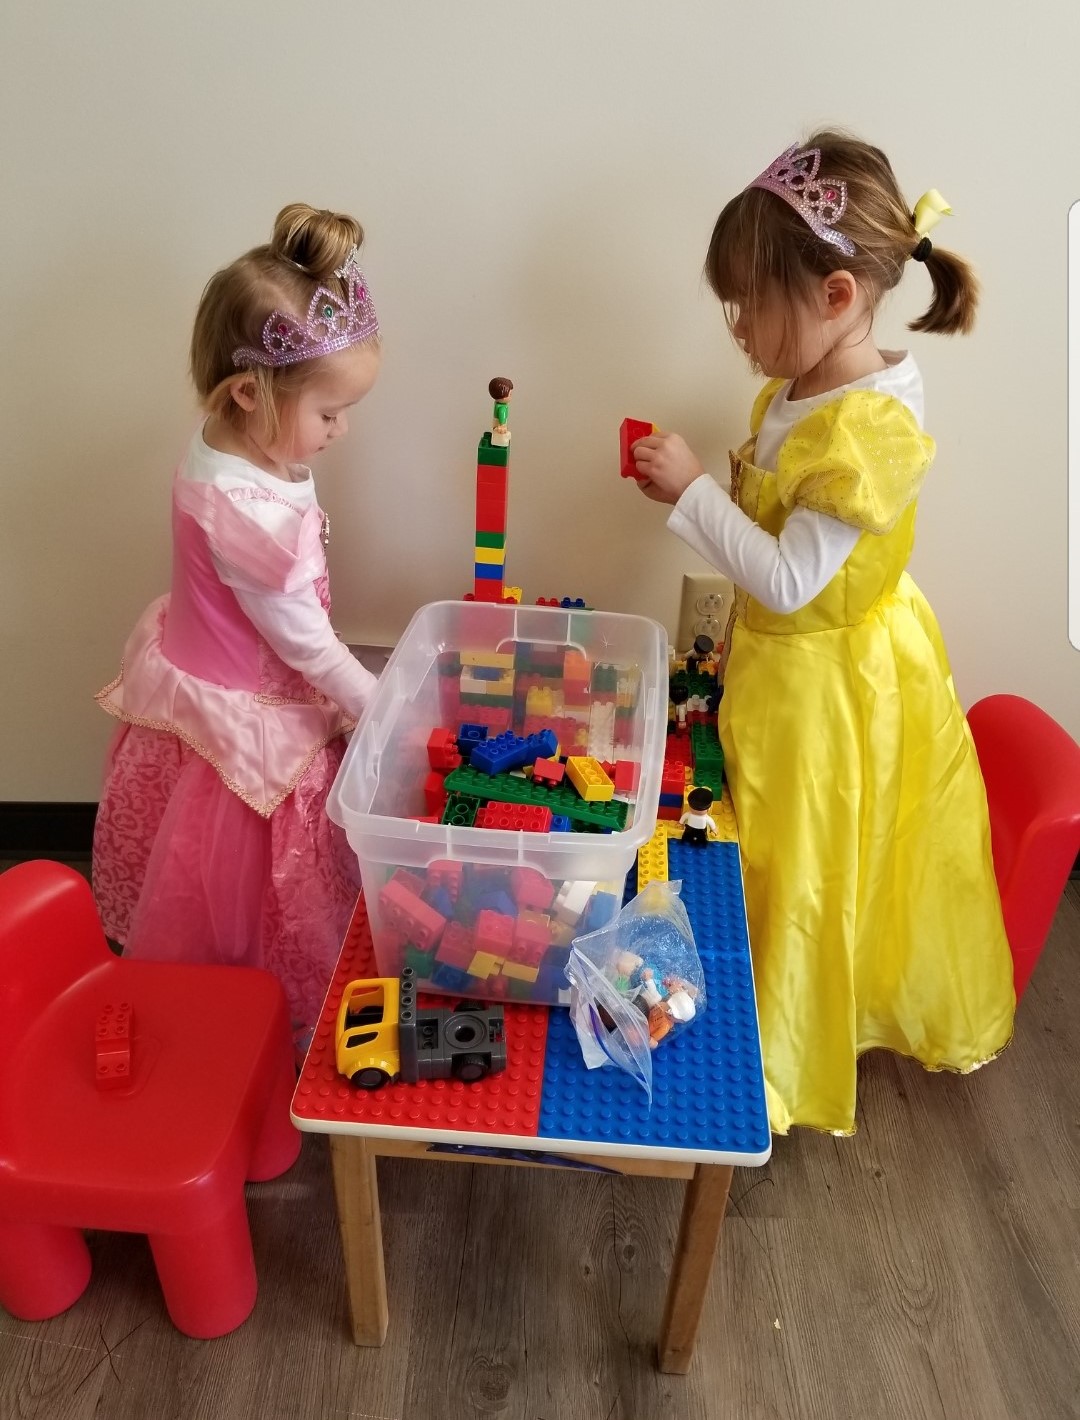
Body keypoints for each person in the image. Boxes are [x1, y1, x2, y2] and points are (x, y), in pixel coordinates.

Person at [628, 132, 1014, 1135]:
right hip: (790, 666)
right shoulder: (803, 385)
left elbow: (791, 582)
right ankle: (752, 1004)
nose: (736, 329)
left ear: (837, 296)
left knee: (804, 865)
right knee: (769, 849)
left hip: (834, 685)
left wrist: (694, 493)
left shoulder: (866, 428)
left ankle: (780, 1060)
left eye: (749, 305)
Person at [93, 203, 382, 1050]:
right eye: (329, 413)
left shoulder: (231, 440)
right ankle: (240, 1031)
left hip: (207, 682)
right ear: (249, 392)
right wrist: (379, 706)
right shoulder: (248, 514)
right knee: (248, 901)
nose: (342, 431)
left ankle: (227, 1018)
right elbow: (306, 644)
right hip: (244, 733)